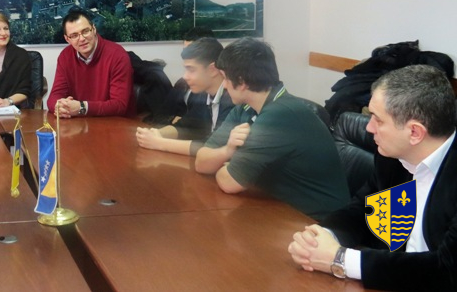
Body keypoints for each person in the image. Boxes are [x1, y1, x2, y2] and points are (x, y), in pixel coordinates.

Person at [288, 65, 457, 290]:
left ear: (415, 132)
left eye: (378, 119)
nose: (368, 128)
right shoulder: (392, 157)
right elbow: (363, 210)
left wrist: (340, 259)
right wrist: (320, 238)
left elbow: (448, 271)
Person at [194, 37, 349, 220]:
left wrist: (225, 164)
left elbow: (229, 182)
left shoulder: (281, 115)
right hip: (279, 209)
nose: (225, 85)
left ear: (242, 82)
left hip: (319, 222)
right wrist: (227, 150)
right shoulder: (244, 108)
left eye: (226, 78)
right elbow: (201, 162)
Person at [136, 37, 234, 156]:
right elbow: (186, 125)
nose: (185, 76)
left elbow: (214, 146)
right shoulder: (203, 96)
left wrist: (159, 143)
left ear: (212, 70)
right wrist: (156, 133)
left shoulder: (233, 100)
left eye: (191, 70)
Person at [47, 8, 136, 118]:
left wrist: (82, 107)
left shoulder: (117, 55)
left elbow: (119, 105)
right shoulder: (65, 56)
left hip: (115, 123)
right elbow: (54, 97)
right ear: (67, 39)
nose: (81, 39)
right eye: (74, 35)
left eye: (85, 31)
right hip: (80, 124)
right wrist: (59, 106)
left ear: (94, 29)